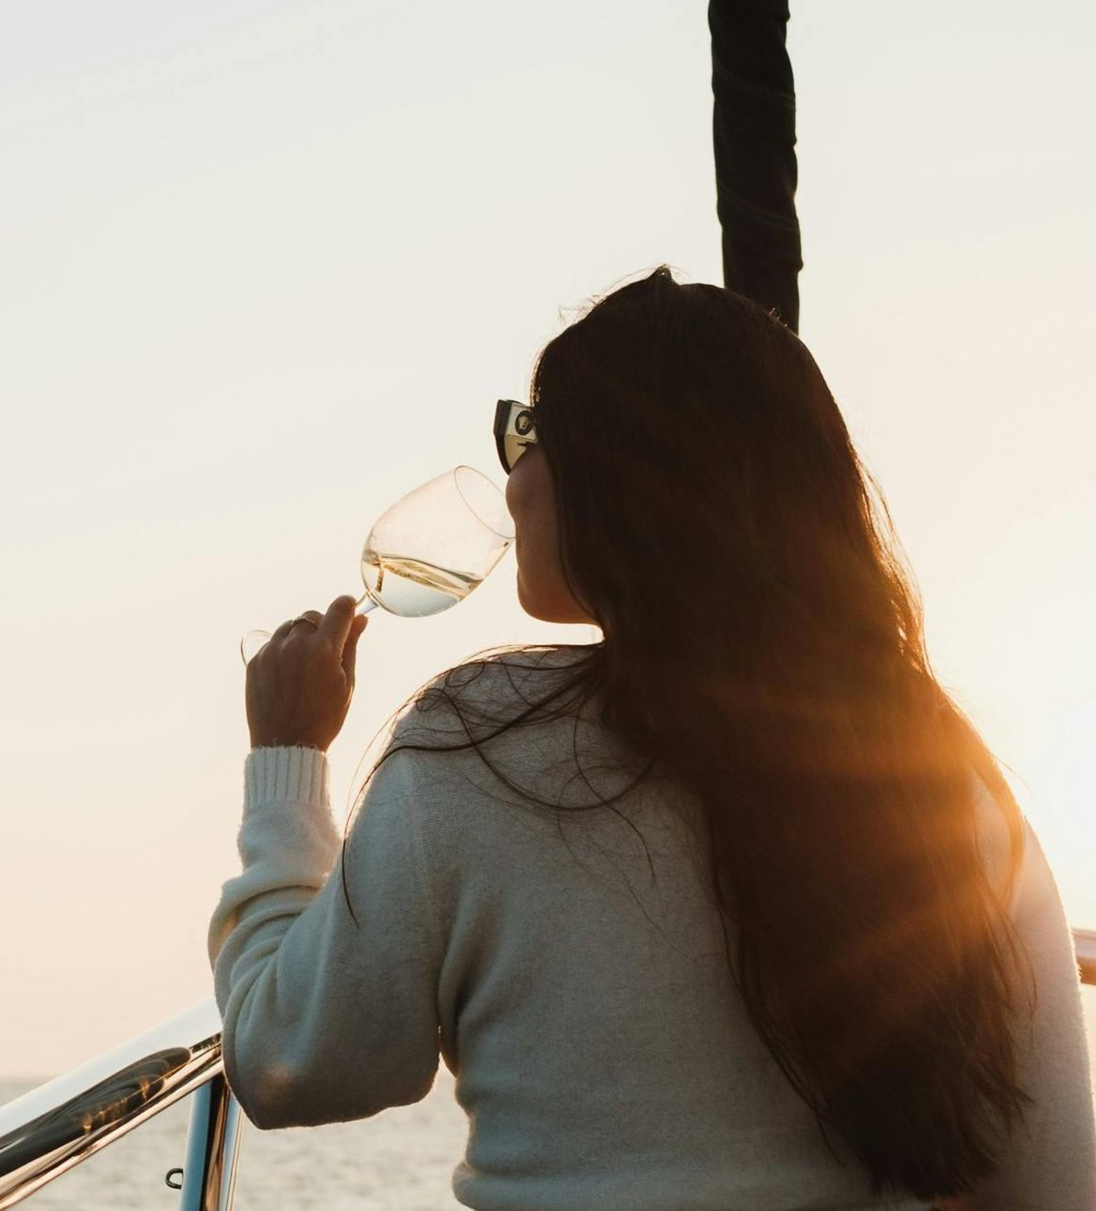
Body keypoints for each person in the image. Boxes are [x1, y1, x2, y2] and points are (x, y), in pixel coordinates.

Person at [208, 268, 1095, 1210]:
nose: (512, 481)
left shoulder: (475, 745)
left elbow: (288, 1062)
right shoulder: (936, 781)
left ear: (615, 470)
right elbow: (1052, 1183)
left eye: (529, 433)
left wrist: (287, 760)